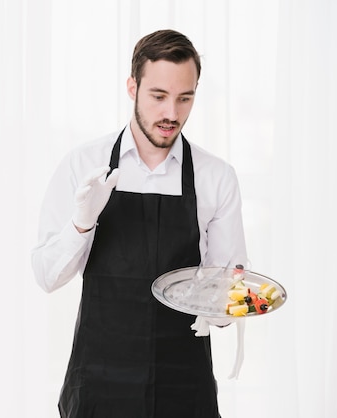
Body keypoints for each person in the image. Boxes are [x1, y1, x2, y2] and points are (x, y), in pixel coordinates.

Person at [31, 29, 247, 418]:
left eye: (185, 98)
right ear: (132, 87)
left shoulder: (217, 178)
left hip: (184, 383)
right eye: (159, 96)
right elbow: (47, 276)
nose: (171, 114)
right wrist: (82, 223)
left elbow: (225, 299)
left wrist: (229, 303)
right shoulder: (84, 165)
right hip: (98, 381)